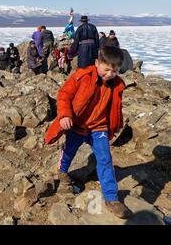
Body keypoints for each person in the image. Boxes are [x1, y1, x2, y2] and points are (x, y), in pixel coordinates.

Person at [44, 46, 132, 219]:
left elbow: (114, 107)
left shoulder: (117, 85)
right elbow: (64, 95)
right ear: (97, 63)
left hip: (99, 128)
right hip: (77, 125)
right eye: (106, 69)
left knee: (105, 159)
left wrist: (115, 125)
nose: (109, 74)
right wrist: (65, 115)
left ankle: (111, 198)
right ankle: (62, 171)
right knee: (69, 150)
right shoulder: (83, 76)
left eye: (114, 71)